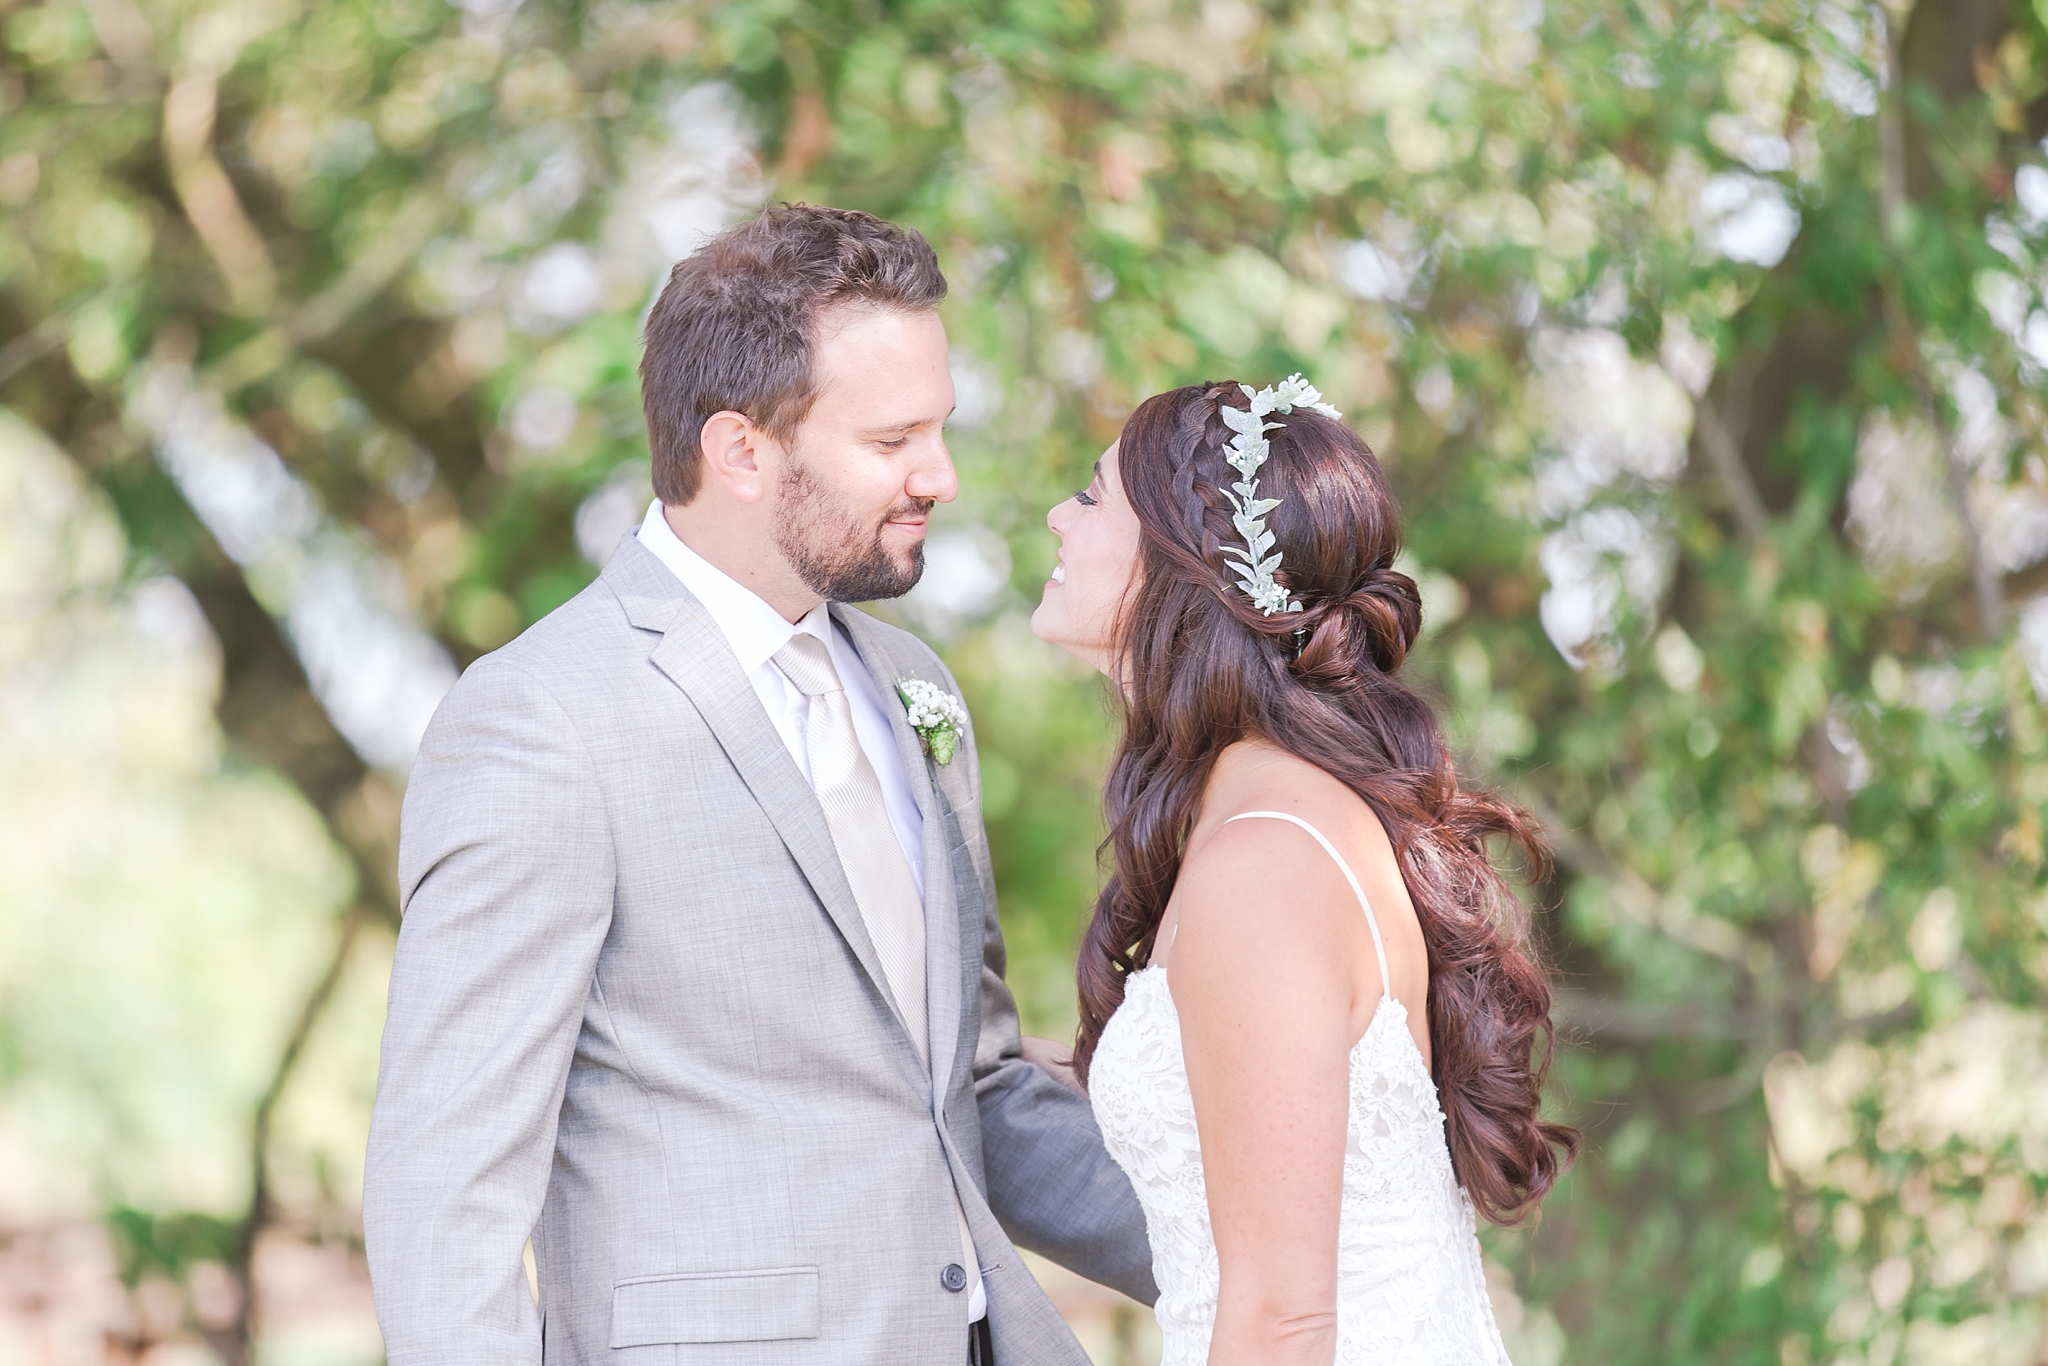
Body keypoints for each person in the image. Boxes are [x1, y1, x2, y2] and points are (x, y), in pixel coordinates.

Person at [363, 204, 1156, 1366]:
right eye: (891, 442)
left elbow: (969, 1087)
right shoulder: (544, 720)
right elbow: (446, 1182)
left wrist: (1272, 1246)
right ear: (740, 450)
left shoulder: (912, 686)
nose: (938, 474)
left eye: (938, 429)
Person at [1026, 377, 1579, 1366]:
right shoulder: (1263, 821)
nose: (1056, 519)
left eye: (1089, 494)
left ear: (1182, 566)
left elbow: (1282, 1320)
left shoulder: (1264, 861)